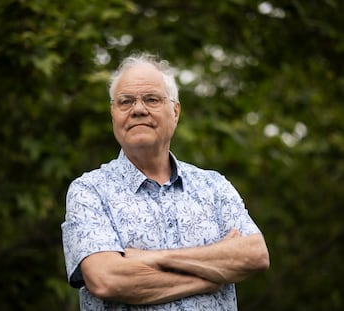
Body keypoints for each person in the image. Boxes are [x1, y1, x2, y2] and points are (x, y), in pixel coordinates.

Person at [61, 52, 270, 310]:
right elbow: (106, 280)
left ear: (175, 111)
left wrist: (152, 259)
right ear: (113, 113)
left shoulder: (214, 186)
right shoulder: (89, 191)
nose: (138, 109)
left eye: (151, 99)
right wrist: (211, 276)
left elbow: (255, 254)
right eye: (126, 102)